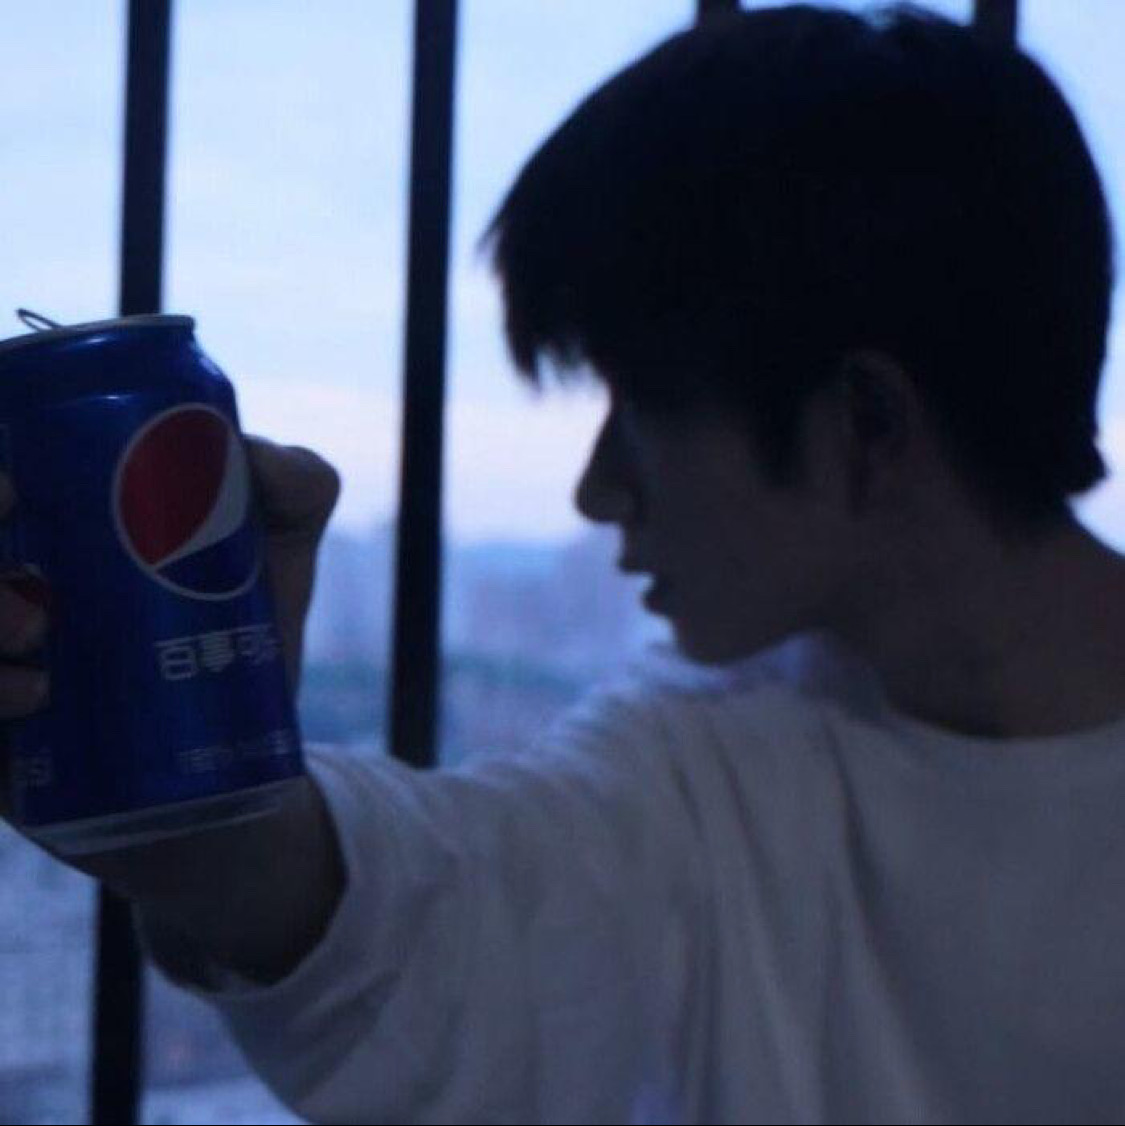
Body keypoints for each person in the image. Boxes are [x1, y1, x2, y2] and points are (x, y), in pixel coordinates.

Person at [5, 3, 1125, 1121]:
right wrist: (192, 770)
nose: (596, 490)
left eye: (641, 410)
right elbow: (447, 922)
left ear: (867, 422)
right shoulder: (720, 756)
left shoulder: (736, 764)